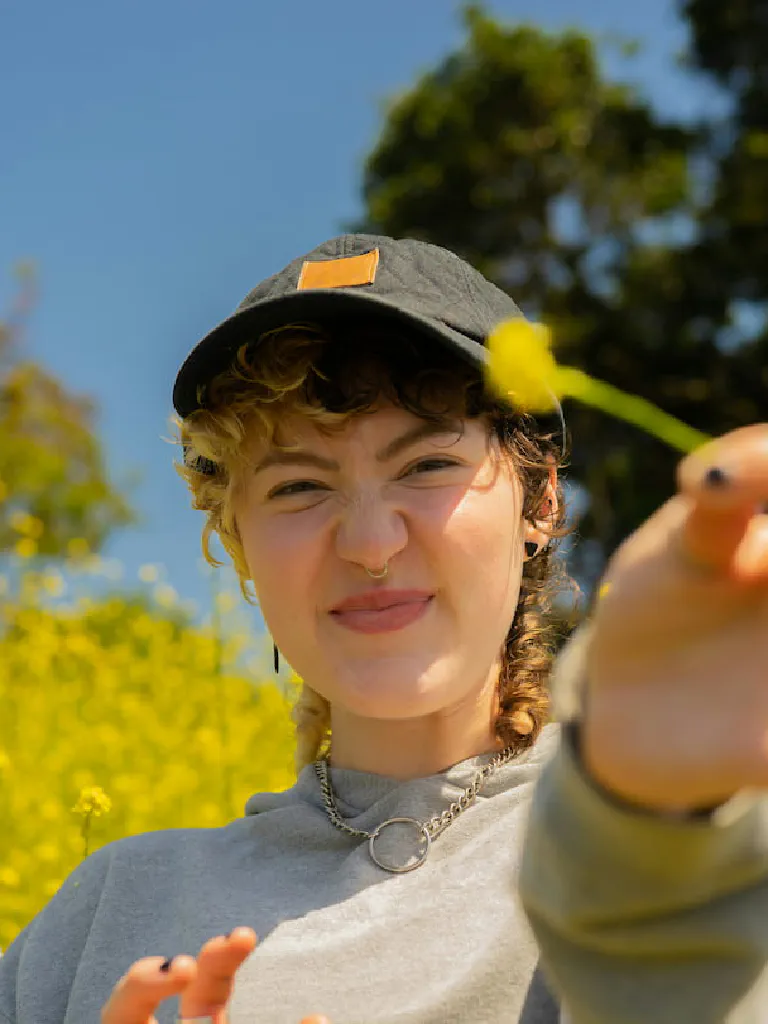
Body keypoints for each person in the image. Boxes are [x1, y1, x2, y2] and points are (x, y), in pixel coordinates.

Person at [0, 234, 766, 1024]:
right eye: (299, 485)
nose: (370, 545)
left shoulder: (670, 840)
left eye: (427, 466)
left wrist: (659, 831)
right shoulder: (103, 916)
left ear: (540, 503)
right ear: (238, 542)